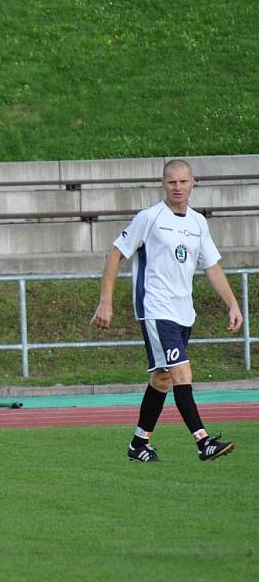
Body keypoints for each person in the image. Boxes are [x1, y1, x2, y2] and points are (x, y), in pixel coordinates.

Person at [91, 159, 243, 462]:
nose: (178, 187)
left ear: (193, 183)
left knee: (162, 379)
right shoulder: (149, 217)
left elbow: (210, 266)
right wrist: (105, 301)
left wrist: (232, 304)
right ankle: (203, 443)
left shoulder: (198, 222)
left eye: (183, 182)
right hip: (156, 309)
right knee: (180, 372)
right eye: (172, 182)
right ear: (163, 183)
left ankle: (138, 444)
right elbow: (115, 254)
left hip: (184, 311)